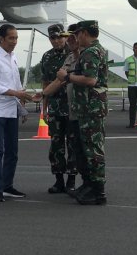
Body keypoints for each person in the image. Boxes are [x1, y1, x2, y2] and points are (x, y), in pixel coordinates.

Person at [56, 20, 109, 205]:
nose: (76, 38)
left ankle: (97, 191)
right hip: (87, 108)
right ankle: (88, 185)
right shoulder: (93, 51)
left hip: (90, 109)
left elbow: (90, 80)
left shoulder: (92, 51)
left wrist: (68, 77)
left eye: (78, 34)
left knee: (93, 151)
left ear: (85, 33)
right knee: (83, 149)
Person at [0, 24, 33, 202]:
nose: (14, 41)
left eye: (16, 38)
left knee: (13, 151)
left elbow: (17, 83)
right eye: (11, 38)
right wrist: (16, 93)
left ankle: (7, 185)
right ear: (2, 39)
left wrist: (22, 105)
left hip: (12, 110)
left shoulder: (13, 58)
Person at [40, 24, 81, 196]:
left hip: (71, 106)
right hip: (55, 107)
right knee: (56, 145)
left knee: (72, 144)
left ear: (65, 37)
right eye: (52, 38)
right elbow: (46, 83)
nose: (56, 41)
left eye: (59, 37)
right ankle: (58, 180)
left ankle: (71, 180)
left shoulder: (73, 53)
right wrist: (45, 108)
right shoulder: (47, 56)